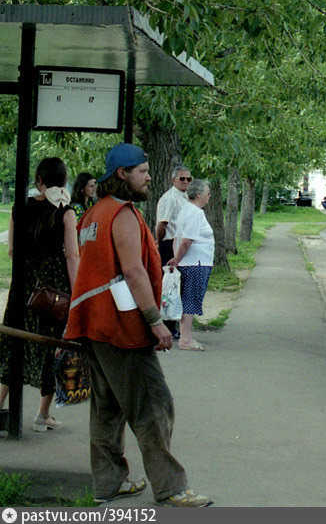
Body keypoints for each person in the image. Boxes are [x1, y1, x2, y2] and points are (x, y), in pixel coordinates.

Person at [63, 143, 211, 507]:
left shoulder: (93, 213)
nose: (148, 178)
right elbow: (132, 271)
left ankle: (108, 483)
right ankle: (171, 487)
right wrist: (155, 322)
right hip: (121, 326)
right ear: (122, 174)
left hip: (93, 323)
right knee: (154, 404)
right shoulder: (123, 214)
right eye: (142, 171)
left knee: (107, 407)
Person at [0, 157, 80, 431]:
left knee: (14, 342)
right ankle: (42, 415)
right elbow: (72, 256)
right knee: (50, 345)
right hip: (53, 288)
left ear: (39, 180)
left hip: (23, 287)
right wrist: (77, 294)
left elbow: (11, 250)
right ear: (64, 179)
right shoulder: (66, 212)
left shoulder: (18, 208)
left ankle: (0, 406)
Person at [164, 179, 214, 351]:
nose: (209, 195)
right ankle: (186, 340)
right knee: (190, 300)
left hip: (191, 262)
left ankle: (186, 337)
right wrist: (177, 259)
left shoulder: (186, 210)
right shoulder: (195, 212)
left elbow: (177, 239)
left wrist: (176, 257)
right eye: (208, 192)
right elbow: (186, 241)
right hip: (195, 263)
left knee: (188, 299)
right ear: (198, 194)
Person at [155, 165, 191, 339]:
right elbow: (163, 224)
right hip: (169, 244)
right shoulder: (170, 198)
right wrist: (159, 243)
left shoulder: (185, 198)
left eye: (188, 179)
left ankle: (174, 322)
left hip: (180, 245)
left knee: (178, 284)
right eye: (182, 178)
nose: (185, 182)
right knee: (169, 285)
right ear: (173, 180)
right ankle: (167, 325)